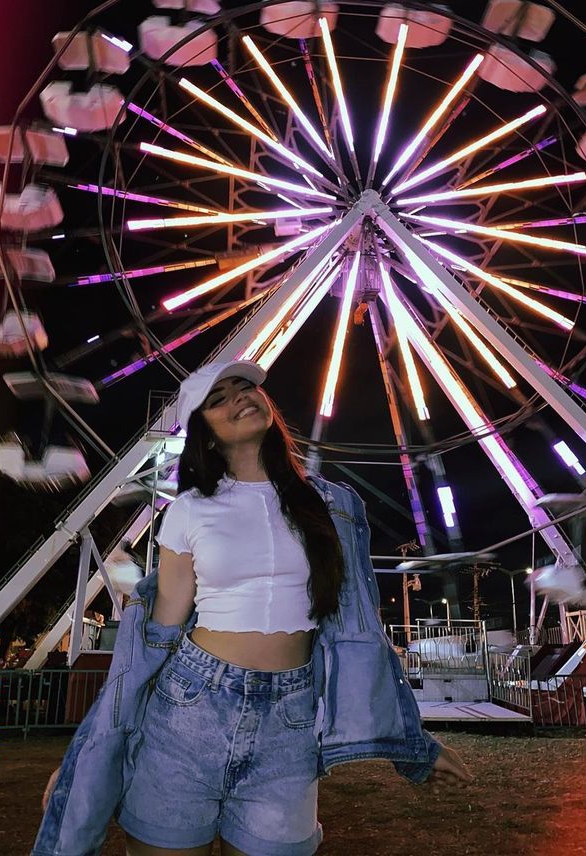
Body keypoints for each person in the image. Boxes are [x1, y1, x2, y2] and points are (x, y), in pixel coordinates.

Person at [39, 359, 470, 856]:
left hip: (289, 719)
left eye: (245, 388)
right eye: (219, 398)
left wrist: (413, 744)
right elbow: (158, 637)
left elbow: (359, 631)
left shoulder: (333, 506)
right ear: (205, 432)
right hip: (188, 708)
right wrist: (87, 756)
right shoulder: (189, 511)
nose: (240, 398)